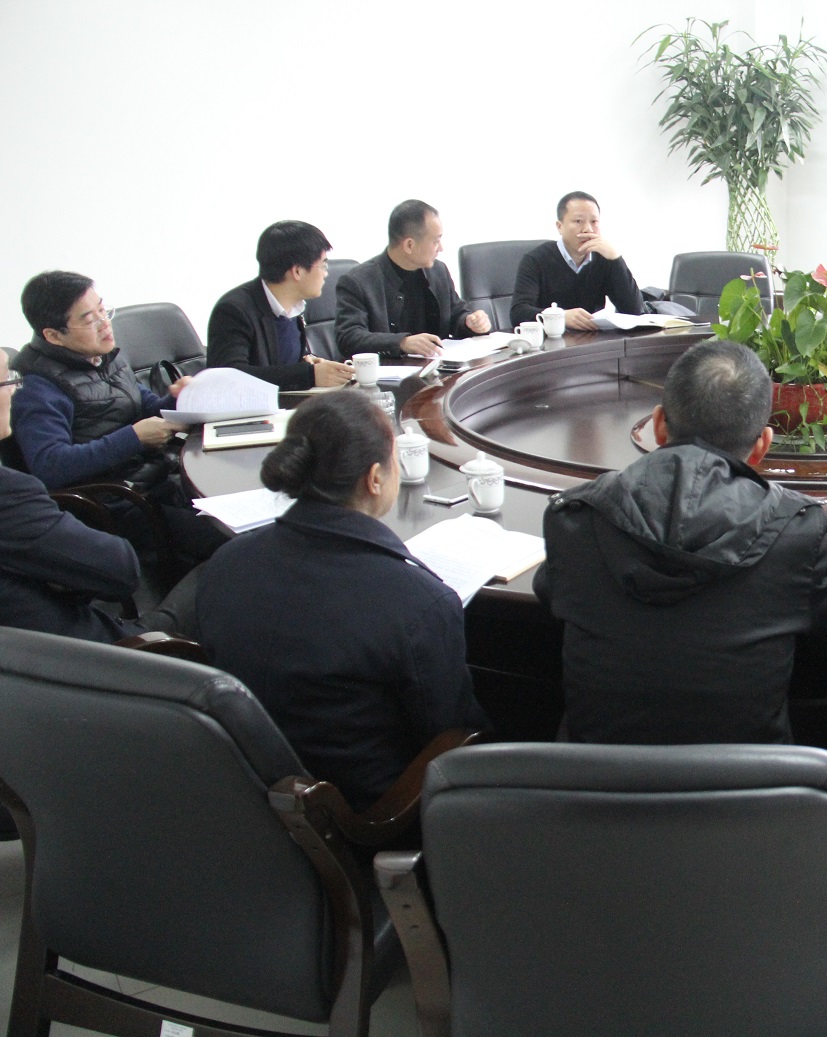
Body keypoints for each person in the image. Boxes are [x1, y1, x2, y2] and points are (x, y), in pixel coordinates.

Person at [535, 339, 827, 744]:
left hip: (590, 781)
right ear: (762, 446)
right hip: (747, 783)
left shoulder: (575, 518)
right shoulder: (795, 533)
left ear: (658, 426)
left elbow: (550, 590)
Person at [195, 390, 489, 810]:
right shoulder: (418, 603)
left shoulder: (226, 562)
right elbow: (452, 734)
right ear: (375, 478)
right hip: (370, 815)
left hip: (241, 797)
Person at [9, 271, 226, 567]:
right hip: (115, 505)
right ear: (53, 335)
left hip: (158, 480)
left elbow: (142, 407)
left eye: (103, 310)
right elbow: (50, 465)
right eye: (90, 319)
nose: (105, 324)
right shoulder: (37, 387)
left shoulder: (102, 356)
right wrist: (134, 438)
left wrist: (180, 398)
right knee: (225, 540)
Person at [206, 220, 354, 391]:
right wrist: (309, 375)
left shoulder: (292, 307)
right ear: (297, 271)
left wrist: (306, 360)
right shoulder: (233, 311)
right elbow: (230, 377)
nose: (326, 273)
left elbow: (279, 360)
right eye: (323, 265)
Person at [336, 199, 491, 359]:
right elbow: (349, 338)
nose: (441, 248)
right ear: (409, 245)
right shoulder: (358, 282)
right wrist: (401, 343)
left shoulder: (438, 271)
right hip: (389, 371)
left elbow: (455, 314)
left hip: (438, 366)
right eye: (436, 241)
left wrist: (470, 322)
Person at [510, 191, 646, 330]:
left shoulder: (604, 258)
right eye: (578, 221)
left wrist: (616, 259)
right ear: (559, 227)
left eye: (594, 222)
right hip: (550, 339)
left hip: (593, 338)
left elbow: (635, 311)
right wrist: (560, 317)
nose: (588, 229)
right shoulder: (535, 260)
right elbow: (518, 313)